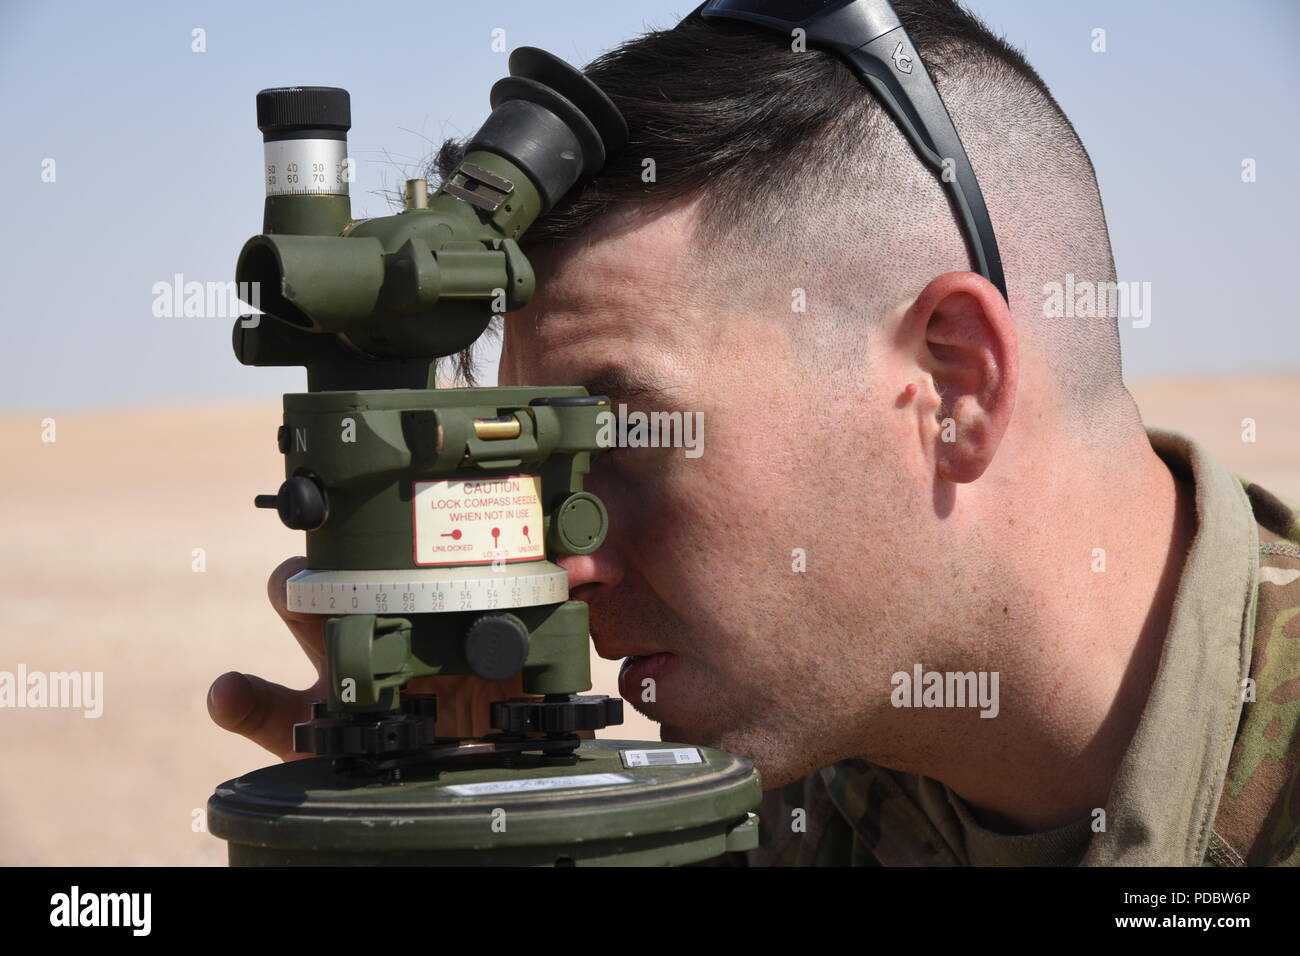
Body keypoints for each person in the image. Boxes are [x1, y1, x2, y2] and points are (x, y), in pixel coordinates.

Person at [209, 0, 1300, 866]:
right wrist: (465, 806)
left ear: (952, 386)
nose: (562, 559)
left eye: (627, 433)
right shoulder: (769, 803)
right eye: (536, 456)